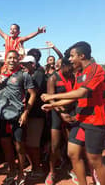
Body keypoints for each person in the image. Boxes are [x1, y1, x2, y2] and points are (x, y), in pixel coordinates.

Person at [41, 41, 105, 185]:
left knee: (94, 159)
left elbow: (82, 92)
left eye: (72, 56)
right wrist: (53, 106)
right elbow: (73, 95)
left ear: (82, 55)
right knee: (72, 153)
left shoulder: (95, 69)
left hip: (95, 120)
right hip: (81, 119)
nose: (70, 60)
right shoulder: (79, 73)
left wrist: (52, 97)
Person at [0, 50, 36, 185]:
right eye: (9, 58)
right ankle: (11, 171)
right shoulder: (0, 76)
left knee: (19, 147)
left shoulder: (24, 75)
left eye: (14, 58)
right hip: (3, 116)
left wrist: (25, 113)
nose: (12, 60)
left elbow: (33, 94)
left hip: (18, 116)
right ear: (6, 59)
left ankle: (21, 173)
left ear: (18, 59)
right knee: (6, 147)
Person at [44, 56, 75, 185]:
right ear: (63, 66)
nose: (71, 69)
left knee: (72, 145)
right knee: (54, 146)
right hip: (57, 113)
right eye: (69, 67)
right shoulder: (53, 78)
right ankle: (52, 172)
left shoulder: (73, 77)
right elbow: (51, 98)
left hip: (71, 113)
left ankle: (72, 168)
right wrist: (62, 112)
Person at [19, 55, 45, 179]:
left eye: (26, 64)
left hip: (36, 115)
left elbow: (34, 93)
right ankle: (34, 166)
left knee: (33, 144)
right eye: (22, 63)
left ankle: (38, 169)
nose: (23, 66)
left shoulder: (38, 75)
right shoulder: (26, 75)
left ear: (33, 64)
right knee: (28, 143)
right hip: (28, 114)